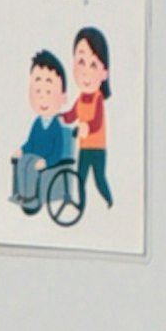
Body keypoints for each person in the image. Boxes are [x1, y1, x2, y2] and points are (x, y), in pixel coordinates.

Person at [16, 51, 74, 217]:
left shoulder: (56, 126)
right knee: (23, 162)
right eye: (38, 92)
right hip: (34, 156)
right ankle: (24, 194)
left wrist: (47, 161)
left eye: (48, 93)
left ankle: (32, 196)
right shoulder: (37, 123)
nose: (42, 98)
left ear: (62, 97)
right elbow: (30, 143)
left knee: (33, 165)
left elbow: (57, 151)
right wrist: (21, 150)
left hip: (50, 160)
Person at [69, 23, 113, 212]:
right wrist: (61, 117)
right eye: (81, 62)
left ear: (104, 73)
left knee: (99, 178)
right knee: (80, 177)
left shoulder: (97, 99)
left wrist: (85, 127)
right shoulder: (80, 99)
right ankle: (81, 204)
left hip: (97, 148)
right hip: (84, 148)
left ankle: (109, 199)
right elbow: (72, 114)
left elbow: (96, 122)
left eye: (93, 64)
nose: (86, 71)